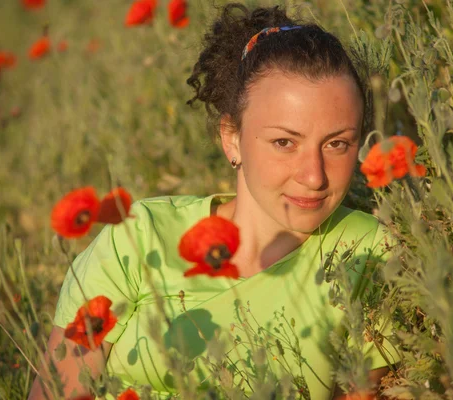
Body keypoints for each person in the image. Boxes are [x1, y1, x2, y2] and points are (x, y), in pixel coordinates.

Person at [28, 3, 399, 399]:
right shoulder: (139, 238)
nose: (314, 175)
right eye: (284, 143)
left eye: (337, 144)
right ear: (231, 137)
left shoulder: (367, 255)